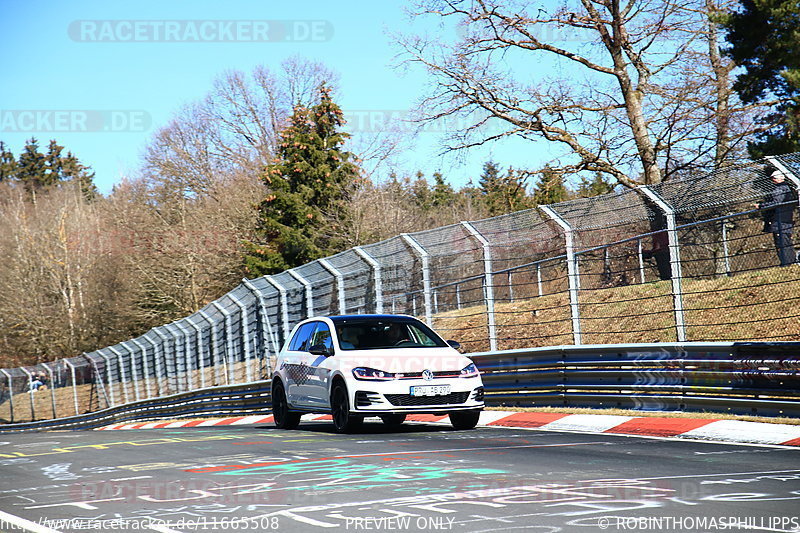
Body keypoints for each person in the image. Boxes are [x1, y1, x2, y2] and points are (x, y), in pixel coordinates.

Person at [758, 168, 798, 266]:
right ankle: (788, 261)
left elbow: (776, 203)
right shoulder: (788, 189)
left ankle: (787, 262)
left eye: (773, 178)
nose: (772, 181)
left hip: (780, 220)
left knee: (782, 242)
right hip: (785, 219)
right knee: (784, 241)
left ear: (777, 179)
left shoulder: (781, 189)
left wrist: (761, 206)